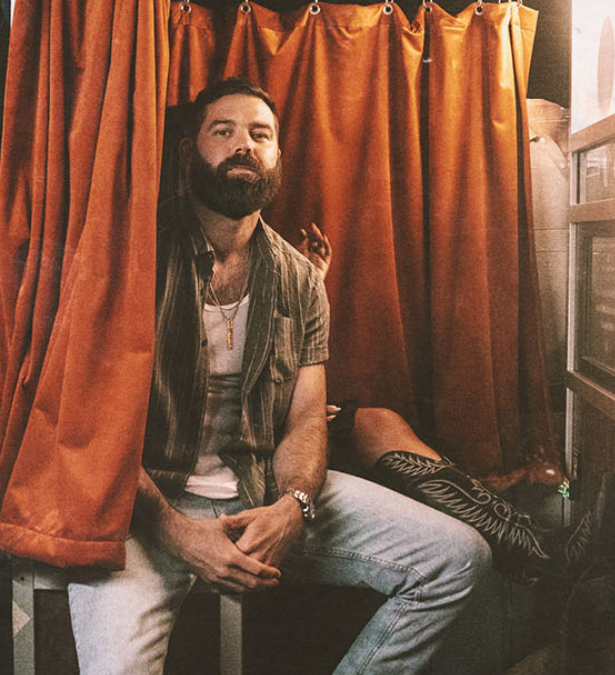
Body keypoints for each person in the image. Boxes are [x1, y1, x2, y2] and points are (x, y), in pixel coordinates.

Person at [64, 77, 491, 675]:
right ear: (188, 152)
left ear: (277, 157)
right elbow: (93, 427)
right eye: (224, 131)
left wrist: (293, 506)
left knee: (458, 559)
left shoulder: (299, 279)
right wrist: (177, 533)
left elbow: (305, 419)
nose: (244, 144)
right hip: (144, 510)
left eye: (260, 134)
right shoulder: (132, 257)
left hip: (261, 491)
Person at [295, 223, 615, 587]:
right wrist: (292, 414)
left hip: (292, 415)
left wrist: (311, 282)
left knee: (378, 423)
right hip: (272, 444)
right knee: (373, 427)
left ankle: (536, 552)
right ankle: (543, 556)